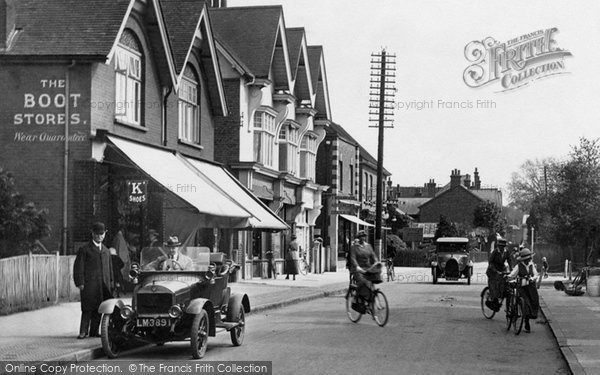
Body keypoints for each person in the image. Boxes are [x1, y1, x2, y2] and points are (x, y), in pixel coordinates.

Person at [73, 222, 114, 339]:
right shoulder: (85, 250)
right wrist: (80, 282)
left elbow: (110, 269)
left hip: (103, 285)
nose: (99, 236)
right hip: (89, 284)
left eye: (102, 234)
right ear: (92, 234)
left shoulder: (106, 251)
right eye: (97, 234)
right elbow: (78, 267)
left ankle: (94, 331)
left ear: (105, 234)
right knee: (87, 308)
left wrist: (111, 282)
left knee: (99, 308)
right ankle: (83, 331)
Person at [507, 248, 540, 332]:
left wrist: (533, 278)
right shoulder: (518, 266)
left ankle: (530, 316)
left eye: (529, 259)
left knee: (534, 299)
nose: (528, 261)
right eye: (527, 259)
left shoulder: (531, 265)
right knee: (525, 302)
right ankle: (526, 321)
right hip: (521, 287)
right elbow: (513, 274)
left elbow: (536, 274)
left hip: (530, 286)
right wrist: (508, 277)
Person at [349, 230, 379, 300]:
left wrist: (376, 263)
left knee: (375, 278)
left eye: (364, 236)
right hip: (358, 269)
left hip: (368, 267)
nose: (363, 238)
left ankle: (369, 300)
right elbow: (353, 258)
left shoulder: (368, 246)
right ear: (358, 238)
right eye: (361, 237)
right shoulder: (354, 247)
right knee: (362, 281)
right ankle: (357, 298)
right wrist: (357, 266)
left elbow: (373, 256)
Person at [485, 236, 508, 312]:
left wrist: (512, 269)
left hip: (501, 269)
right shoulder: (495, 252)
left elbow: (510, 261)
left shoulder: (506, 252)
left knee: (504, 284)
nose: (502, 248)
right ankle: (492, 299)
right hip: (493, 271)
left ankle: (500, 297)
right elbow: (490, 262)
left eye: (503, 246)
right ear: (498, 246)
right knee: (494, 286)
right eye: (500, 246)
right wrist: (495, 270)